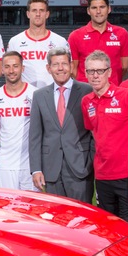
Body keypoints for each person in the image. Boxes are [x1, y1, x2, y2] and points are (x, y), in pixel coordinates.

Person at [81, 50, 128, 226]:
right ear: (85, 73)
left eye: (100, 71)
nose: (95, 75)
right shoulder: (87, 102)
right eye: (91, 71)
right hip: (102, 176)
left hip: (127, 175)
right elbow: (94, 131)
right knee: (108, 230)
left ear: (109, 72)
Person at [28, 46, 94, 201]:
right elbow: (35, 136)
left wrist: (90, 162)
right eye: (56, 64)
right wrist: (36, 169)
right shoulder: (39, 96)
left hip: (81, 167)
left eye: (64, 64)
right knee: (56, 218)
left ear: (71, 66)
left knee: (81, 218)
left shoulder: (87, 91)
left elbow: (94, 132)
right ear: (48, 68)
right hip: (51, 169)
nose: (60, 68)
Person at [0, 50, 37, 191]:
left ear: (22, 68)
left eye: (15, 66)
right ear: (2, 69)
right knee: (8, 206)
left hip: (30, 164)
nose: (11, 70)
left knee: (31, 207)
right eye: (7, 67)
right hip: (6, 164)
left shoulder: (35, 94)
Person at [68, 0, 128, 85]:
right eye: (94, 8)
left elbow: (124, 68)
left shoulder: (122, 33)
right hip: (85, 91)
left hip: (112, 90)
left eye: (102, 7)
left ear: (109, 9)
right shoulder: (75, 36)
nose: (98, 11)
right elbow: (73, 69)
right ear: (88, 11)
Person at [6, 0, 64, 88]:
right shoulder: (15, 41)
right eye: (34, 10)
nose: (38, 14)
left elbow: (68, 70)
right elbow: (8, 70)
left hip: (51, 96)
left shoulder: (60, 41)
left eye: (41, 10)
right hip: (24, 96)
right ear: (28, 14)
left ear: (47, 14)